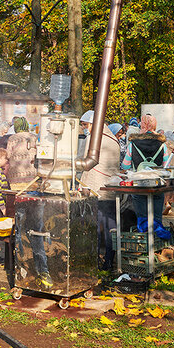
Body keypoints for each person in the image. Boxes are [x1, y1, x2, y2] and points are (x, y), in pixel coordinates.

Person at [77, 112, 123, 270]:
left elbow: (84, 163)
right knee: (111, 227)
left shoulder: (93, 139)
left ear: (92, 123)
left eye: (85, 125)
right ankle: (110, 260)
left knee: (95, 227)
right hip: (111, 189)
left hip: (96, 189)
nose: (84, 128)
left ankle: (94, 260)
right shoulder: (113, 139)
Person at [122, 113, 171, 236]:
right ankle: (157, 241)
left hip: (139, 185)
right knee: (156, 217)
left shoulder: (133, 143)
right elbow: (166, 166)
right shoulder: (162, 144)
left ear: (142, 125)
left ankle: (143, 241)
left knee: (142, 216)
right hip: (157, 185)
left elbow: (126, 165)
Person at [5, 117, 38, 185]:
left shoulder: (12, 138)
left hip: (15, 175)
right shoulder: (34, 137)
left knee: (16, 194)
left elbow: (8, 155)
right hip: (31, 174)